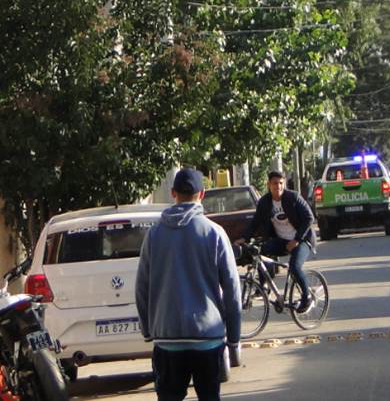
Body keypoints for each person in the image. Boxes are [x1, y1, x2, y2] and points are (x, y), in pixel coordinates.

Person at [136, 168, 241, 401]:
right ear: (202, 194)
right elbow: (232, 288)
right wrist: (234, 338)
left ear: (173, 193)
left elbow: (141, 287)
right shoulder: (215, 233)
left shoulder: (154, 235)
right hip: (208, 338)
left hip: (167, 339)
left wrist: (148, 330)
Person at [237, 170, 317, 313]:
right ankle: (264, 287)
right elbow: (255, 222)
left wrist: (297, 240)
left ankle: (307, 298)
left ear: (284, 184)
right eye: (275, 183)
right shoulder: (264, 202)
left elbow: (309, 218)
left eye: (281, 183)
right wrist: (244, 238)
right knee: (260, 252)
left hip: (302, 240)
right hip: (281, 241)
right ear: (269, 185)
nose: (278, 186)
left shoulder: (293, 197)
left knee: (294, 267)